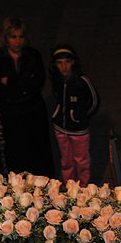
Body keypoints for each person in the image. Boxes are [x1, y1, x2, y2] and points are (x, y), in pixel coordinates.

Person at [0, 17, 54, 177]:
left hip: (32, 112)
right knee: (13, 153)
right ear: (6, 38)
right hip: (9, 114)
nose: (18, 42)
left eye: (21, 37)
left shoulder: (33, 55)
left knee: (36, 152)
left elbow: (37, 82)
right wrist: (23, 82)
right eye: (13, 37)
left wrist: (9, 81)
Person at [49, 45, 99, 187]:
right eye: (60, 63)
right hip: (61, 128)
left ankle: (83, 188)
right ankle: (70, 188)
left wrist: (81, 116)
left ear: (73, 62)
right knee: (66, 161)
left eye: (67, 62)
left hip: (78, 130)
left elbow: (94, 101)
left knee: (81, 160)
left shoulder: (82, 81)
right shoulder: (57, 80)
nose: (64, 67)